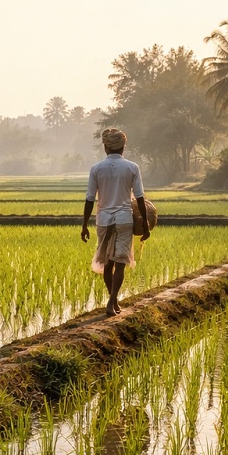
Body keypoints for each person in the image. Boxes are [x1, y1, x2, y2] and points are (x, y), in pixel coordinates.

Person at [81, 128, 150, 317]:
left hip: (104, 219)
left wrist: (84, 225)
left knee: (107, 264)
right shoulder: (132, 167)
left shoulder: (96, 169)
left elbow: (89, 199)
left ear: (105, 147)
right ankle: (113, 300)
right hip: (124, 219)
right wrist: (144, 223)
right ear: (123, 148)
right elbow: (140, 198)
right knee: (120, 263)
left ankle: (112, 300)